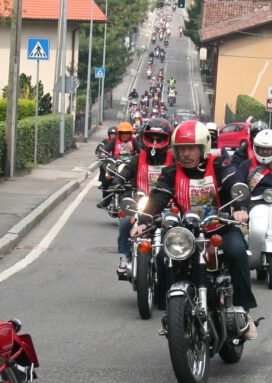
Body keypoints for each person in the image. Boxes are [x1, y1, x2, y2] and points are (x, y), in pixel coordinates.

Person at [131, 121, 258, 340]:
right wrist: (143, 221)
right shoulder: (171, 172)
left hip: (220, 227)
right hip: (187, 232)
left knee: (237, 251)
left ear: (203, 148)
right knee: (163, 256)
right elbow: (158, 196)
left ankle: (243, 310)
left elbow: (235, 183)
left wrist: (240, 208)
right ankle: (171, 314)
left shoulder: (219, 164)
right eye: (181, 149)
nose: (186, 154)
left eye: (191, 148)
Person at [111, 118, 175, 276]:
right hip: (141, 204)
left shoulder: (174, 159)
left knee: (176, 228)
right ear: (144, 138)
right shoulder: (138, 158)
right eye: (151, 138)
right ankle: (126, 256)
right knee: (125, 221)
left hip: (167, 206)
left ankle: (175, 259)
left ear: (167, 139)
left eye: (159, 139)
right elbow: (125, 172)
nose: (155, 142)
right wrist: (118, 182)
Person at [97, 122, 139, 209]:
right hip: (116, 163)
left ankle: (137, 199)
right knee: (107, 177)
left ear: (130, 134)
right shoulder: (115, 141)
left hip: (129, 165)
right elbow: (105, 149)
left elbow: (141, 151)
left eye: (127, 133)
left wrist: (140, 156)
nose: (125, 135)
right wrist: (103, 154)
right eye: (122, 133)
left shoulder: (134, 141)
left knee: (137, 179)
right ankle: (106, 201)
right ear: (119, 133)